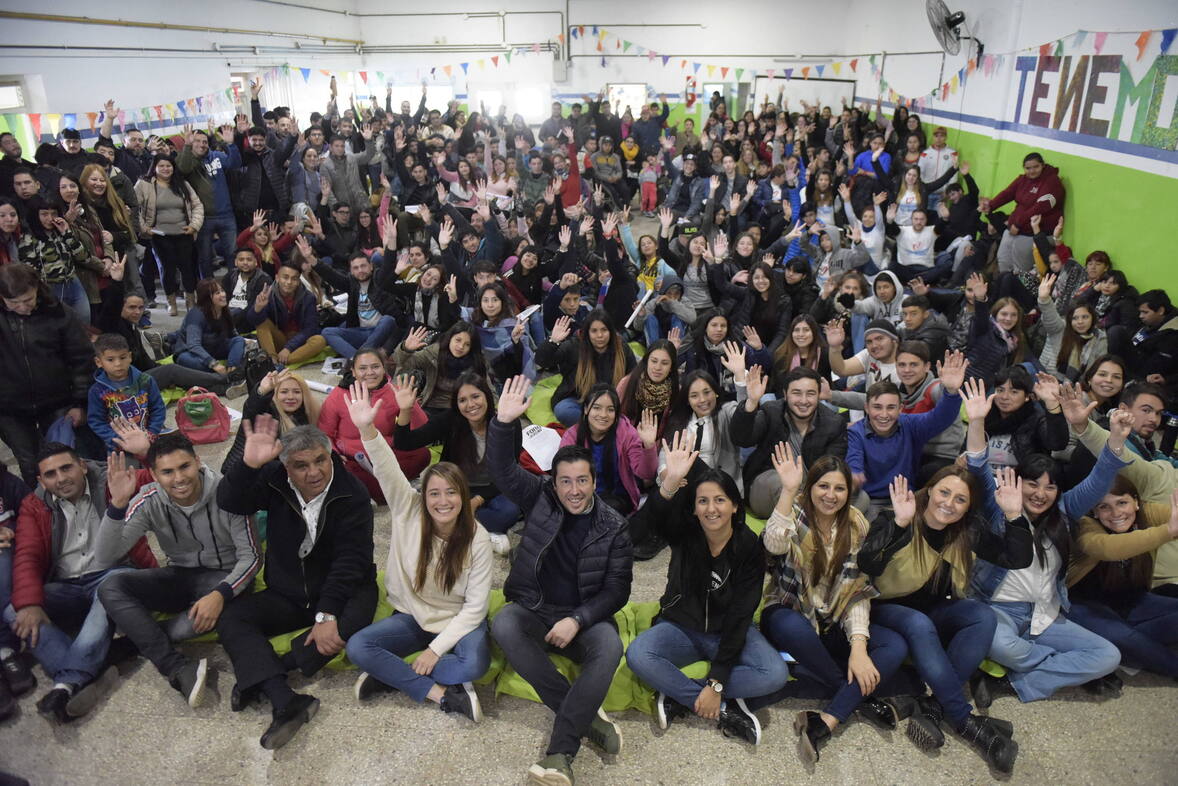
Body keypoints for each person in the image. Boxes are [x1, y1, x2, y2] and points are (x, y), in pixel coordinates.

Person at [487, 376, 632, 786]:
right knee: (504, 624)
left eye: (581, 480)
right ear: (554, 481)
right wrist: (502, 422)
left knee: (609, 645)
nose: (573, 490)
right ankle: (583, 715)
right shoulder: (540, 496)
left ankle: (560, 753)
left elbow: (617, 590)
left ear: (594, 482)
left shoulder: (614, 525)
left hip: (582, 616)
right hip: (535, 605)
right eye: (565, 481)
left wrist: (579, 620)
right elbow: (500, 468)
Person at [216, 418, 379, 749]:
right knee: (231, 617)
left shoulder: (353, 492)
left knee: (346, 630)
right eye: (300, 465)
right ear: (285, 466)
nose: (314, 472)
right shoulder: (274, 480)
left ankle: (262, 676)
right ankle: (285, 698)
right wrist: (248, 466)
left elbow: (351, 562)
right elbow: (230, 500)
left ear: (330, 454)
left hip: (344, 592)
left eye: (321, 460)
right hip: (288, 592)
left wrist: (326, 615)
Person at [961, 378, 1125, 706]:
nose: (1040, 493)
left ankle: (1011, 679)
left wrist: (1117, 439)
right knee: (999, 644)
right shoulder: (998, 505)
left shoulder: (1064, 511)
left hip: (1045, 614)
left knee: (1108, 656)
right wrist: (977, 420)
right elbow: (977, 464)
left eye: (1049, 488)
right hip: (997, 610)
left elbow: (1099, 479)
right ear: (1016, 482)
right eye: (1032, 484)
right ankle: (1046, 667)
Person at [858, 470, 1028, 772]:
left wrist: (1014, 515)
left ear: (967, 507)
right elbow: (867, 563)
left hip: (934, 610)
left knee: (982, 616)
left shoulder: (967, 530)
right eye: (944, 492)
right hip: (882, 606)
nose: (949, 503)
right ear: (930, 489)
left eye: (960, 499)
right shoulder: (898, 515)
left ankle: (935, 706)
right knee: (918, 623)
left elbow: (1017, 558)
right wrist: (899, 524)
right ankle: (966, 723)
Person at [625, 430, 787, 744]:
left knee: (775, 674)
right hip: (680, 627)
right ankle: (721, 708)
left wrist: (716, 682)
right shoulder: (685, 532)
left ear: (735, 506)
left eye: (719, 500)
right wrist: (669, 484)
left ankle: (678, 694)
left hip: (727, 633)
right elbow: (636, 532)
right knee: (639, 655)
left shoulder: (748, 547)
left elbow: (742, 614)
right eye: (703, 501)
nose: (711, 509)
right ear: (695, 508)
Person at [341, 381, 490, 721]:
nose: (443, 501)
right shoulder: (407, 509)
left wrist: (435, 651)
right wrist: (367, 429)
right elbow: (387, 468)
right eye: (434, 493)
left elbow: (475, 609)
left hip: (455, 621)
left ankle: (392, 674)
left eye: (451, 493)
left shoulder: (477, 537)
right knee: (358, 647)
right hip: (413, 616)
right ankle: (435, 692)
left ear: (463, 497)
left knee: (476, 662)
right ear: (423, 496)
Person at [758, 446, 908, 765]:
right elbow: (773, 543)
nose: (831, 495)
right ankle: (858, 697)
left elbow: (857, 590)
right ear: (810, 487)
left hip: (832, 620)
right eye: (823, 486)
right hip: (790, 611)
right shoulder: (794, 512)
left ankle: (827, 718)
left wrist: (858, 647)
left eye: (839, 488)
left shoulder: (856, 525)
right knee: (789, 625)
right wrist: (788, 490)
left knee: (894, 645)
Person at [96, 434, 259, 709]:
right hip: (179, 576)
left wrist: (219, 595)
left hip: (224, 578)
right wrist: (118, 504)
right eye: (167, 472)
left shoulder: (228, 493)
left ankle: (139, 641)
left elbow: (252, 558)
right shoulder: (148, 499)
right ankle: (177, 666)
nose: (179, 478)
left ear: (197, 461)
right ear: (153, 474)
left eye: (184, 467)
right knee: (110, 586)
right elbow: (105, 556)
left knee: (195, 623)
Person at [3, 442, 157, 723]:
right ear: (40, 481)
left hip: (115, 575)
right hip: (67, 586)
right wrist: (29, 602)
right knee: (15, 610)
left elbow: (165, 474)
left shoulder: (111, 481)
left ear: (83, 466)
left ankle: (66, 685)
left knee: (110, 587)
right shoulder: (34, 505)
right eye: (50, 474)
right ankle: (98, 665)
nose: (61, 478)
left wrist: (147, 451)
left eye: (67, 468)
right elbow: (27, 554)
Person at [389, 371, 521, 555]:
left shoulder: (507, 422)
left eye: (475, 396)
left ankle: (453, 527)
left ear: (487, 396)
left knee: (509, 510)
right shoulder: (451, 419)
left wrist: (475, 502)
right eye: (463, 400)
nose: (471, 405)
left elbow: (508, 472)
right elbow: (405, 443)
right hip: (457, 486)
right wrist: (405, 410)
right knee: (425, 508)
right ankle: (476, 531)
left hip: (494, 488)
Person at [1066, 481, 1178, 679]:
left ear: (1136, 503)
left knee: (1128, 637)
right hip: (1083, 605)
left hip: (1132, 599)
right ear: (1095, 511)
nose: (1116, 513)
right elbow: (1108, 548)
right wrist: (1168, 531)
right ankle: (1131, 645)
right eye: (1104, 506)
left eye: (1122, 503)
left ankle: (1128, 646)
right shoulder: (1085, 525)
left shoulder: (1147, 513)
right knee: (1123, 636)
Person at [0, 264, 96, 486]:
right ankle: (42, 509)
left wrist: (80, 403)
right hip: (9, 408)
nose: (23, 307)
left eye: (28, 300)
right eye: (14, 303)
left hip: (57, 401)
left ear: (37, 289)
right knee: (29, 463)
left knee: (63, 458)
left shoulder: (59, 313)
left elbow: (82, 360)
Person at [846, 352, 967, 518]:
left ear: (900, 408)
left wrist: (952, 392)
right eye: (877, 407)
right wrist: (854, 475)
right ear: (866, 408)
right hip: (871, 501)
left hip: (907, 498)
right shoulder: (856, 432)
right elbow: (854, 460)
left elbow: (941, 418)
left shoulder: (910, 424)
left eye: (890, 407)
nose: (884, 414)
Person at [732, 365, 848, 518]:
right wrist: (751, 403)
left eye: (811, 394)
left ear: (819, 395)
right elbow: (742, 438)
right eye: (796, 393)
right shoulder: (771, 412)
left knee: (860, 497)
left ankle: (811, 521)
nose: (804, 401)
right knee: (784, 485)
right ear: (785, 395)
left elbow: (831, 470)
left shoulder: (834, 423)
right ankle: (807, 532)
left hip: (812, 489)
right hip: (768, 483)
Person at [317, 348, 431, 498]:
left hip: (387, 454)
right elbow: (324, 434)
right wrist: (334, 453)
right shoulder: (338, 395)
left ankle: (376, 488)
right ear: (353, 371)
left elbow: (423, 429)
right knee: (338, 469)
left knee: (422, 455)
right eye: (363, 368)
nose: (370, 372)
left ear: (383, 368)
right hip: (354, 460)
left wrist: (409, 408)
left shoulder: (393, 391)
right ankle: (383, 488)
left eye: (375, 367)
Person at [558, 384, 659, 517]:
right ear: (586, 409)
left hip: (618, 497)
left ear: (616, 414)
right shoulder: (572, 436)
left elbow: (647, 473)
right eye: (597, 408)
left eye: (610, 410)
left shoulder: (627, 434)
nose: (603, 415)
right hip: (580, 493)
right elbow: (564, 473)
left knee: (605, 511)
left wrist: (649, 445)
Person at [537, 310, 637, 427]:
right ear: (587, 333)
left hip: (611, 403)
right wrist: (553, 341)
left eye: (604, 330)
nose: (599, 335)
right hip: (580, 401)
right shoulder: (575, 346)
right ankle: (601, 427)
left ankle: (598, 426)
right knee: (563, 410)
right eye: (594, 331)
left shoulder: (622, 349)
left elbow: (633, 376)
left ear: (610, 331)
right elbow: (542, 361)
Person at [133, 154, 204, 316]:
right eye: (162, 166)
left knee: (187, 269)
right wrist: (144, 228)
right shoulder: (144, 185)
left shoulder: (182, 184)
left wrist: (194, 225)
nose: (166, 169)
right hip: (159, 236)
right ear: (155, 168)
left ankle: (190, 301)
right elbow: (133, 208)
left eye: (169, 166)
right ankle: (171, 302)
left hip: (184, 233)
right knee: (167, 269)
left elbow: (197, 205)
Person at [306, 244, 401, 360]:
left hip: (381, 332)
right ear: (351, 271)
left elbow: (387, 266)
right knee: (327, 332)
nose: (360, 270)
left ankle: (360, 358)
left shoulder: (379, 279)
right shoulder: (351, 282)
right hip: (361, 332)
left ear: (371, 266)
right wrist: (310, 258)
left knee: (388, 320)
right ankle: (358, 358)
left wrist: (391, 243)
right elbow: (330, 275)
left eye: (363, 266)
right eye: (356, 268)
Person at [982, 152, 1065, 276]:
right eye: (1028, 168)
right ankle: (1004, 290)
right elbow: (1007, 193)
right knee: (1002, 260)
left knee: (1019, 270)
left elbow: (1040, 207)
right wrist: (991, 205)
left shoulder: (1052, 181)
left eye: (1035, 167)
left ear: (1042, 165)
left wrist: (1018, 223)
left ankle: (1016, 292)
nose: (1032, 171)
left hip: (1035, 233)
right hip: (1014, 228)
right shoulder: (1022, 179)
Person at [894, 341, 964, 485]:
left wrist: (951, 390)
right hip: (913, 452)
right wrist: (834, 396)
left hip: (942, 457)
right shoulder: (898, 390)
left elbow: (943, 393)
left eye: (913, 364)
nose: (907, 370)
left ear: (926, 366)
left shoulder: (934, 387)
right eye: (902, 365)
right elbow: (871, 400)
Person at [16, 195, 93, 323]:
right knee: (61, 327)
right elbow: (29, 273)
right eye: (44, 214)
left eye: (53, 213)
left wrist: (66, 233)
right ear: (36, 215)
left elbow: (85, 258)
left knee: (84, 322)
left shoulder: (61, 229)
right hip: (50, 288)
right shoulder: (28, 239)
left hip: (73, 282)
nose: (50, 218)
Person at [176, 126, 241, 278]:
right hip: (203, 218)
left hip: (226, 215)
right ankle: (208, 291)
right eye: (197, 141)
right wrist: (186, 145)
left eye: (204, 141)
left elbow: (234, 164)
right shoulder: (186, 158)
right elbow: (183, 169)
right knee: (205, 258)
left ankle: (235, 287)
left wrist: (231, 144)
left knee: (232, 254)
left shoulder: (216, 156)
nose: (201, 144)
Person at [86, 333, 166, 452]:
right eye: (110, 360)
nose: (118, 364)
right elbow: (96, 421)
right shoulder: (97, 391)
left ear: (130, 357)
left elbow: (158, 408)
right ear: (99, 362)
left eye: (122, 358)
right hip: (119, 447)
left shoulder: (145, 381)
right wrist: (117, 440)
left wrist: (152, 432)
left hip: (150, 440)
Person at [979, 367, 1069, 472]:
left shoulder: (1036, 420)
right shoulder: (985, 414)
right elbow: (967, 449)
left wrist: (1052, 403)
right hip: (981, 478)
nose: (1004, 397)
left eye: (1014, 392)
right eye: (1000, 390)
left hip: (1019, 482)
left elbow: (1058, 444)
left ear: (1027, 396)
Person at [247, 260, 328, 366]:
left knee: (320, 340)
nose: (289, 282)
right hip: (278, 339)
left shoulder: (308, 297)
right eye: (285, 277)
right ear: (277, 278)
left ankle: (280, 362)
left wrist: (288, 348)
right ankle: (272, 360)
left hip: (300, 343)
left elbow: (310, 329)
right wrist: (257, 308)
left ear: (298, 281)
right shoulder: (269, 295)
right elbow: (253, 321)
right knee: (262, 322)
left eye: (294, 279)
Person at [171, 278, 246, 384]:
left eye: (222, 291)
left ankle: (232, 372)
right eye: (217, 293)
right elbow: (193, 345)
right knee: (191, 363)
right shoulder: (196, 315)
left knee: (239, 340)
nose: (223, 295)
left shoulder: (224, 310)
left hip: (214, 348)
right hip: (191, 353)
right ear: (207, 297)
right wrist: (214, 364)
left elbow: (233, 334)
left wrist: (244, 344)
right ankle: (226, 379)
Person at [1037, 273, 1107, 382]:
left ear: (1092, 318)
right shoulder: (1060, 328)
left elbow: (1098, 368)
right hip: (1045, 378)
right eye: (1075, 318)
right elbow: (1050, 317)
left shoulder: (1100, 338)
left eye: (1085, 317)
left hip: (1076, 387)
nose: (1080, 322)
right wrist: (1044, 299)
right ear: (1069, 320)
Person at [616, 339, 678, 429]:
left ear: (671, 367)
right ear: (647, 361)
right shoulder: (627, 383)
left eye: (664, 363)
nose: (657, 367)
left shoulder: (676, 391)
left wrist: (651, 443)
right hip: (626, 440)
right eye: (654, 361)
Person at [220, 247, 272, 332]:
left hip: (246, 316)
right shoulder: (230, 276)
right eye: (241, 260)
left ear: (255, 262)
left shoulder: (263, 280)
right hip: (228, 311)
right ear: (236, 262)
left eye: (249, 260)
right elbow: (223, 298)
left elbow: (252, 307)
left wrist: (229, 319)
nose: (245, 263)